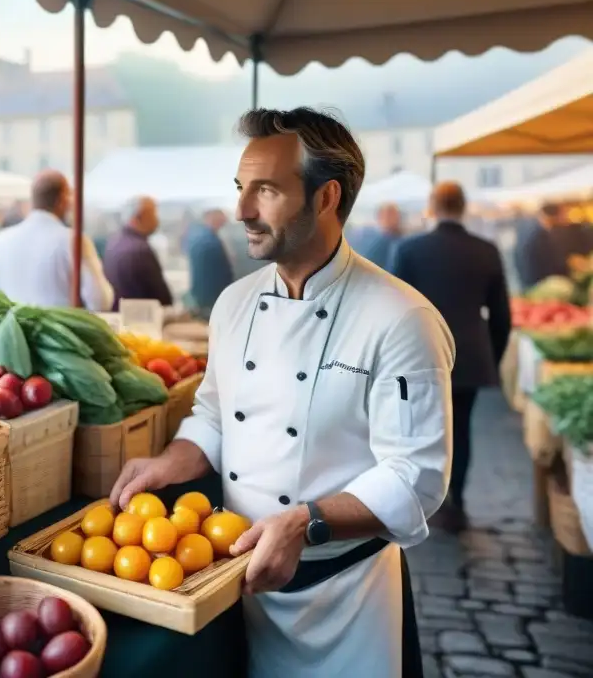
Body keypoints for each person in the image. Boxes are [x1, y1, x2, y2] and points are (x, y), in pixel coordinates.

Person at [110, 107, 453, 678]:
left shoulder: (402, 318)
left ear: (326, 198)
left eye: (265, 190)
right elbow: (215, 414)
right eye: (242, 188)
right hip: (233, 583)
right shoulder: (233, 303)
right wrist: (171, 460)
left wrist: (304, 523)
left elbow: (414, 478)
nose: (242, 209)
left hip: (346, 599)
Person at [391, 183, 511, 532]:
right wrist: (494, 357)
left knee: (418, 429)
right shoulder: (487, 250)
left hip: (420, 356)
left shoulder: (409, 249)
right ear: (463, 206)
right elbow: (502, 316)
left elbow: (393, 311)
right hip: (471, 357)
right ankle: (456, 496)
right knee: (461, 429)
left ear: (432, 206)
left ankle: (419, 498)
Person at [0, 170, 113, 310]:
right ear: (63, 199)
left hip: (13, 331)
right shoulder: (73, 241)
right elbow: (99, 301)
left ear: (33, 199)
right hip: (60, 330)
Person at [102, 196, 173, 310]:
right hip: (141, 320)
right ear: (139, 217)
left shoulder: (113, 242)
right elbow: (163, 300)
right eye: (153, 214)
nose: (156, 220)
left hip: (118, 315)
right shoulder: (141, 251)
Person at [184, 208, 234, 319]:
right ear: (212, 218)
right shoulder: (210, 242)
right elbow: (220, 275)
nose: (223, 224)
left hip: (203, 298)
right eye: (221, 220)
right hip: (211, 299)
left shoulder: (198, 237)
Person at [513, 204, 569, 289]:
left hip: (527, 283)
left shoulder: (529, 229)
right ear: (556, 216)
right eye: (563, 215)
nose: (566, 219)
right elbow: (552, 263)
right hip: (538, 284)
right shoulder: (539, 235)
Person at [354, 203, 402, 272]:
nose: (394, 219)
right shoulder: (374, 243)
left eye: (395, 215)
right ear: (379, 218)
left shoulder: (403, 239)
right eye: (388, 215)